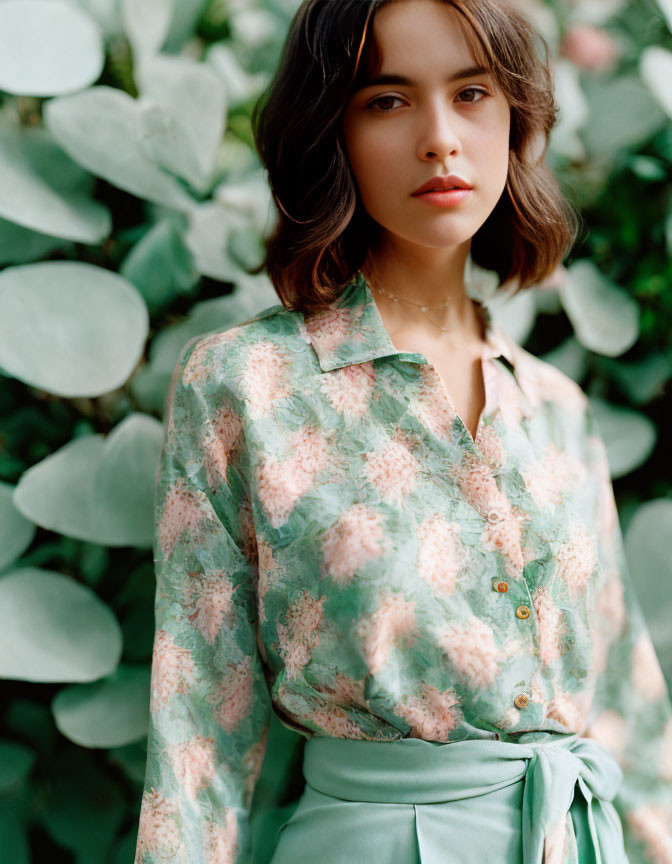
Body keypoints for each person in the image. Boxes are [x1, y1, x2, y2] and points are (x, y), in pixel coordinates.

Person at [133, 1, 672, 862]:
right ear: (330, 131)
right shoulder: (246, 383)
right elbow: (200, 724)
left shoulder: (558, 407)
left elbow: (631, 717)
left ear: (515, 120)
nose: (439, 138)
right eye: (387, 100)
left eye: (472, 94)